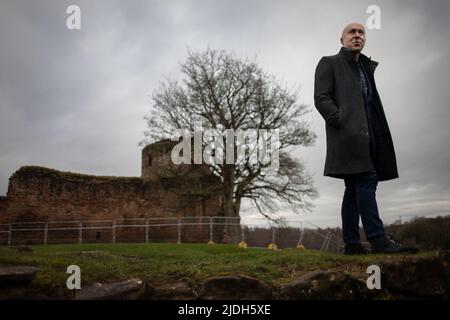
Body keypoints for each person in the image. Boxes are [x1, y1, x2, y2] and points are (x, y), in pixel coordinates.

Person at [314, 22, 418, 254]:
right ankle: (377, 238)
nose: (357, 36)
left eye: (361, 32)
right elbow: (321, 97)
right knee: (367, 179)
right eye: (352, 32)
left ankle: (351, 243)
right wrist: (341, 120)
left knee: (352, 188)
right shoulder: (329, 63)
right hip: (348, 137)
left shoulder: (365, 68)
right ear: (342, 40)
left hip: (369, 137)